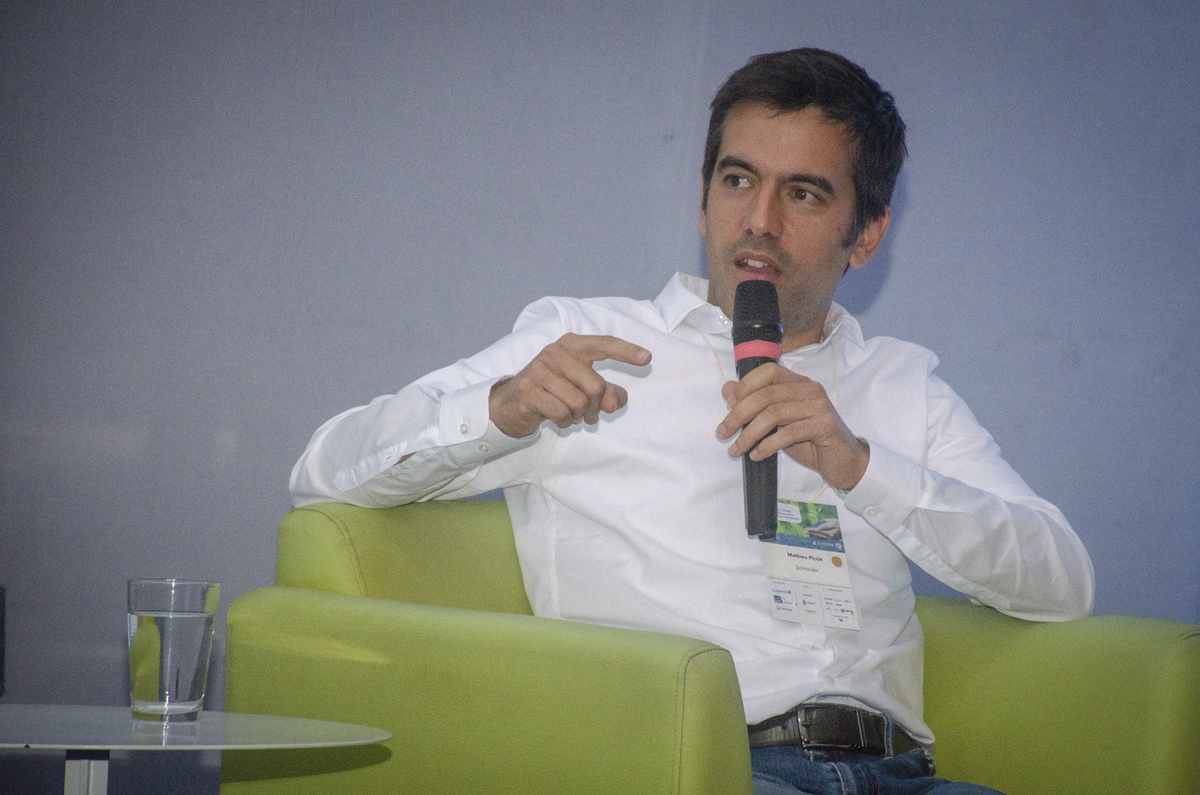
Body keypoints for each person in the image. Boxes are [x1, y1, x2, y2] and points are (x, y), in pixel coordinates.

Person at [291, 48, 1094, 795]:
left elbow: (1063, 583)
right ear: (704, 201)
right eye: (738, 180)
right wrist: (503, 407)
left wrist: (860, 466)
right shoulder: (588, 341)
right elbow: (323, 469)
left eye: (804, 193)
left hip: (901, 772)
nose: (760, 220)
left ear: (868, 234)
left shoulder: (904, 383)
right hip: (701, 767)